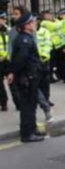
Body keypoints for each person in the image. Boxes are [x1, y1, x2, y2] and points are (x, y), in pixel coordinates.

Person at [7, 12, 44, 143]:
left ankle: (32, 130)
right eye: (32, 22)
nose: (35, 23)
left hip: (30, 75)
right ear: (26, 25)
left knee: (31, 104)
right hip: (27, 77)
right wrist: (13, 72)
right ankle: (27, 133)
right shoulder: (24, 40)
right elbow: (20, 60)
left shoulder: (26, 38)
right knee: (28, 106)